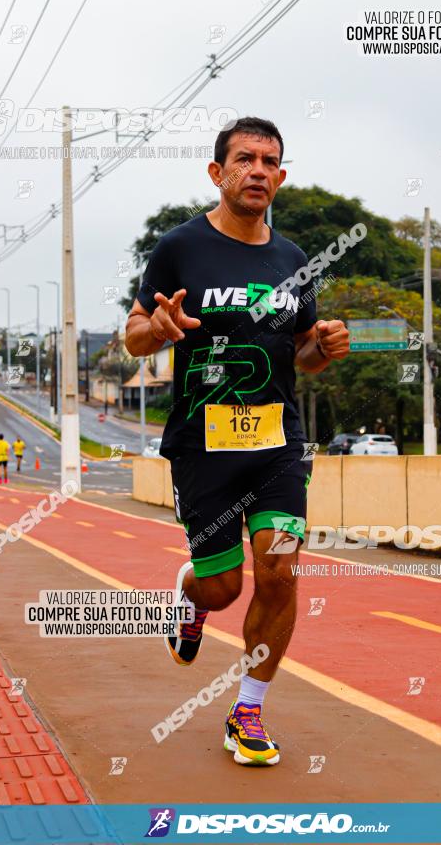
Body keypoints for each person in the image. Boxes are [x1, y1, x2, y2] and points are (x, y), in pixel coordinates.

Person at [125, 117, 350, 767]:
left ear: (279, 178)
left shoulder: (292, 260)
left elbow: (302, 355)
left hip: (279, 447)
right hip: (203, 447)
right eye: (244, 158)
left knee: (279, 571)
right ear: (216, 172)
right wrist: (159, 327)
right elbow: (136, 334)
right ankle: (192, 595)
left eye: (269, 161)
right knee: (224, 588)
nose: (257, 169)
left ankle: (247, 708)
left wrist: (322, 346)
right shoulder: (179, 248)